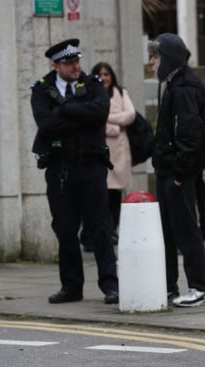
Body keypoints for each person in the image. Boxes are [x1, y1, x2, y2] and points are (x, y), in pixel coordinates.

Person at [30, 38, 119, 305]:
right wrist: (81, 117)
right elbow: (46, 126)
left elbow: (101, 111)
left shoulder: (92, 84)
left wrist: (66, 110)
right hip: (59, 169)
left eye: (77, 60)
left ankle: (111, 285)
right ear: (55, 65)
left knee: (101, 228)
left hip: (91, 166)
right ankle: (71, 287)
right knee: (65, 229)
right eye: (69, 63)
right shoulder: (42, 89)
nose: (76, 66)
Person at [148, 33, 205, 307]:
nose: (151, 63)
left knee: (186, 230)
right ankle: (169, 286)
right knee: (169, 230)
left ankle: (200, 288)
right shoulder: (174, 83)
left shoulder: (185, 87)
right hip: (170, 170)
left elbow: (189, 134)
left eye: (155, 57)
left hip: (179, 174)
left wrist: (178, 172)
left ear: (169, 58)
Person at [91, 62, 136, 244]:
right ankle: (100, 231)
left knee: (116, 194)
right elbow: (90, 117)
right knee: (100, 195)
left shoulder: (121, 92)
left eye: (107, 74)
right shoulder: (90, 93)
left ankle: (113, 230)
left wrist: (106, 117)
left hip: (119, 152)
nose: (103, 78)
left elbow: (130, 115)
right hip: (99, 148)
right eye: (100, 74)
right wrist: (115, 124)